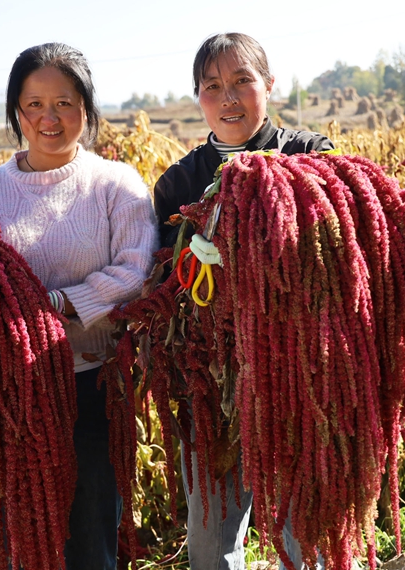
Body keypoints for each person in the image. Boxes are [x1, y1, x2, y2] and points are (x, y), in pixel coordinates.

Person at [0, 42, 158, 570]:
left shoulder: (116, 185)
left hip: (92, 385)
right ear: (16, 112)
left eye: (64, 103)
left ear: (86, 109)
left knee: (90, 538)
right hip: (8, 394)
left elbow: (136, 270)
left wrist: (60, 302)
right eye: (34, 104)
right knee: (10, 538)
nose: (50, 117)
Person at [152, 33, 334, 570]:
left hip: (298, 377)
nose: (228, 97)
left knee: (306, 534)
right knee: (211, 539)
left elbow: (338, 259)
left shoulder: (309, 155)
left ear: (269, 86)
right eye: (213, 86)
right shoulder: (178, 183)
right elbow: (157, 287)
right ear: (198, 97)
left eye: (242, 81)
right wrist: (188, 259)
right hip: (208, 380)